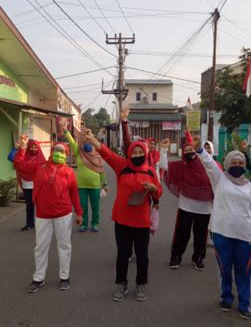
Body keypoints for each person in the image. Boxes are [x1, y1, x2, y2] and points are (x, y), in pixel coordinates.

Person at [84, 130, 162, 302]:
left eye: (140, 152)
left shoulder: (150, 172)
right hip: (122, 220)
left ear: (146, 153)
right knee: (123, 254)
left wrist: (154, 189)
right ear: (129, 153)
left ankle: (141, 283)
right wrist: (92, 140)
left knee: (142, 255)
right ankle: (121, 283)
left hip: (142, 221)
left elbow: (159, 192)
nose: (137, 155)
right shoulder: (122, 166)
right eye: (134, 152)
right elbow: (107, 153)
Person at [196, 147, 251, 320]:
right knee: (225, 269)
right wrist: (199, 150)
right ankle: (226, 297)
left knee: (244, 272)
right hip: (222, 233)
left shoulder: (250, 186)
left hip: (245, 236)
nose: (237, 165)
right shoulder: (219, 179)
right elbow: (209, 164)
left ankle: (244, 303)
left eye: (240, 163)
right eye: (234, 162)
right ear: (226, 164)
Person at [14, 135, 83, 293]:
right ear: (52, 152)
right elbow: (19, 165)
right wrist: (22, 148)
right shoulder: (40, 166)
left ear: (66, 154)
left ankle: (64, 277)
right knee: (41, 247)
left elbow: (74, 194)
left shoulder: (69, 172)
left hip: (63, 214)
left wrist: (79, 212)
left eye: (62, 151)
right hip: (43, 215)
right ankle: (38, 277)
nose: (59, 153)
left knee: (64, 246)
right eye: (56, 150)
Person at [160, 138, 214, 271]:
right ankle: (176, 257)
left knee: (201, 236)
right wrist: (163, 149)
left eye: (191, 149)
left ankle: (198, 258)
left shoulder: (207, 165)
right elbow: (164, 166)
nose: (189, 152)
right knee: (181, 234)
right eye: (186, 150)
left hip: (204, 208)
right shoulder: (181, 165)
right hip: (186, 206)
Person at [61, 123, 108, 232]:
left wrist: (104, 183)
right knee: (82, 207)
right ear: (82, 142)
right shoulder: (78, 152)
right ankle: (83, 224)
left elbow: (101, 170)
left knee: (95, 207)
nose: (87, 144)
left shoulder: (97, 154)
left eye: (89, 142)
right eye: (85, 141)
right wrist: (65, 131)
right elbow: (72, 142)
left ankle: (95, 223)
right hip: (81, 185)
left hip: (95, 185)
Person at [13, 138, 40, 231]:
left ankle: (42, 224)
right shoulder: (23, 156)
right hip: (27, 185)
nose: (33, 149)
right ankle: (29, 224)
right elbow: (17, 163)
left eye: (35, 147)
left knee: (41, 206)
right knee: (29, 206)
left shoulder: (41, 158)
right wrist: (22, 148)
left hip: (39, 186)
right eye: (31, 147)